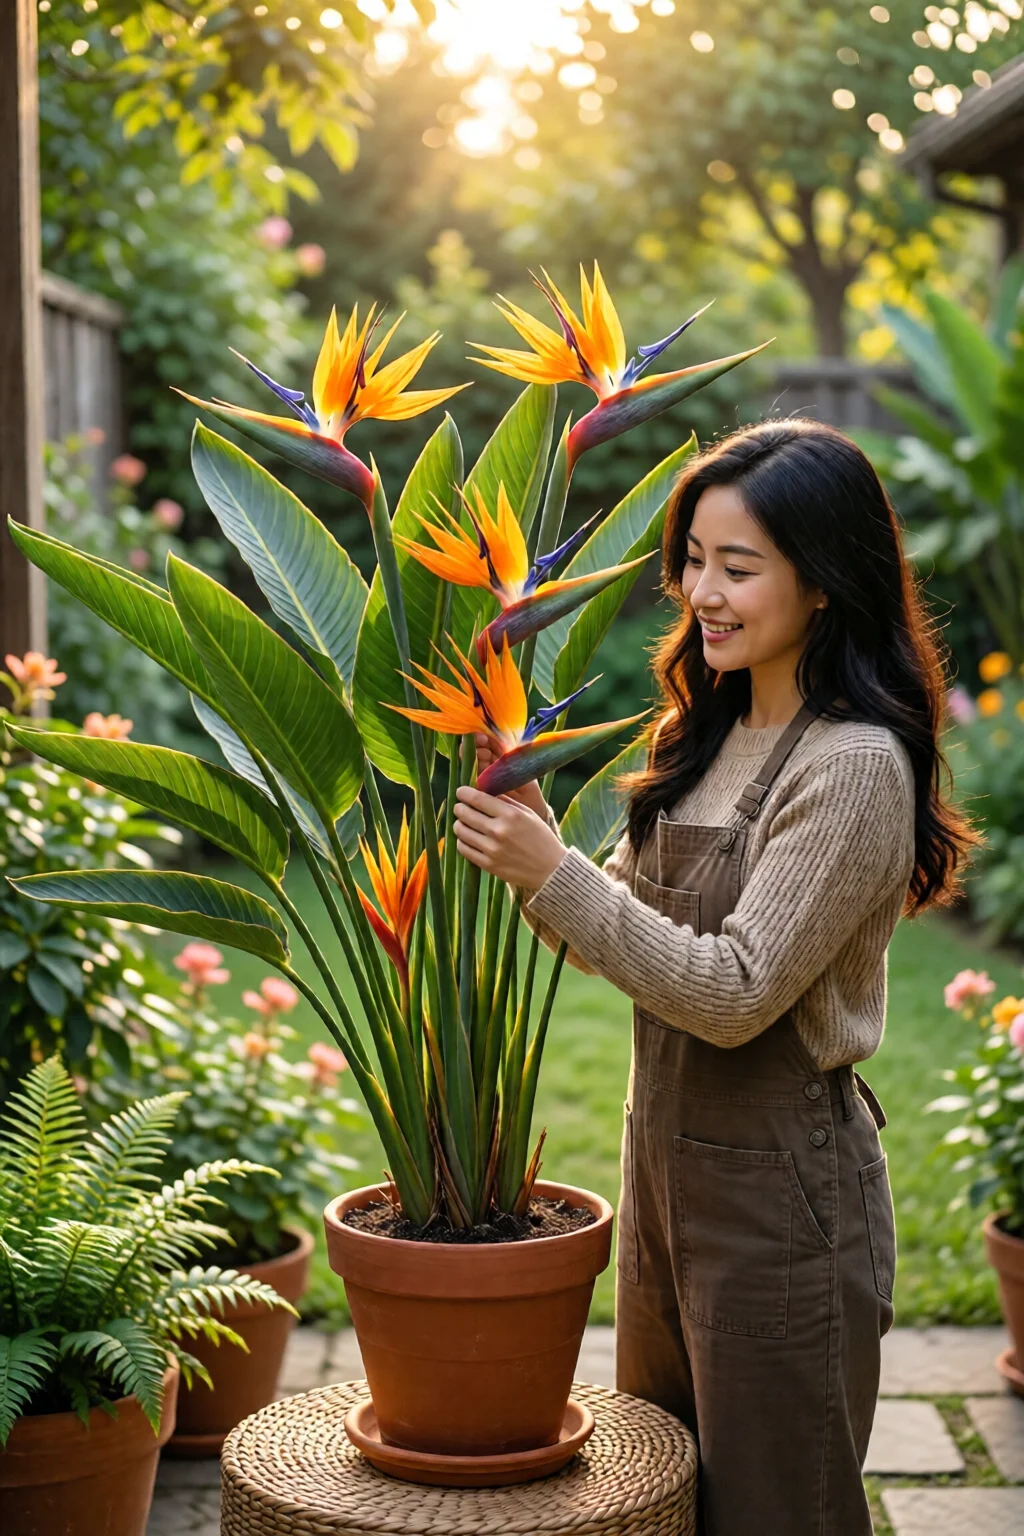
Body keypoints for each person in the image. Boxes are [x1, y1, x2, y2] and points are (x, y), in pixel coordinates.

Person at [452, 418, 978, 1536]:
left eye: (738, 567)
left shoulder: (854, 768)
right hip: (664, 1181)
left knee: (779, 1509)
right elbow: (613, 932)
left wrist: (560, 880)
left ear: (825, 581)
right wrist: (533, 855)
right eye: (692, 559)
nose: (704, 591)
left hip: (784, 1202)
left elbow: (734, 993)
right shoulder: (710, 728)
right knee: (665, 1502)